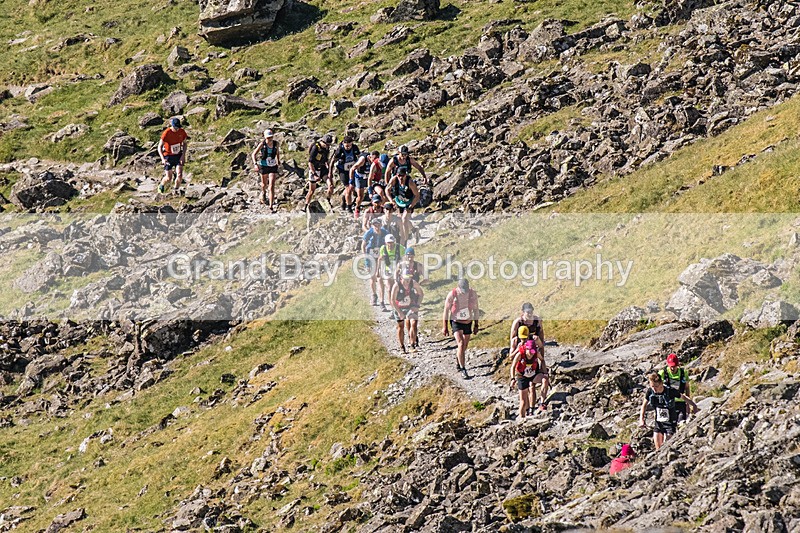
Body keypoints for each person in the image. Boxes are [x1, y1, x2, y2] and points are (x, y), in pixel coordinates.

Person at [639, 373, 698, 449]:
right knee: (658, 448)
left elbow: (684, 397)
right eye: (652, 386)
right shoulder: (650, 392)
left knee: (666, 447)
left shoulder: (670, 391)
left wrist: (694, 405)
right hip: (659, 422)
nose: (654, 389)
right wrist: (641, 419)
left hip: (670, 423)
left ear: (661, 383)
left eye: (656, 386)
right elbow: (644, 406)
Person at [442, 279, 479, 379]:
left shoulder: (472, 294)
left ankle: (459, 359)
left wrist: (476, 324)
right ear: (458, 287)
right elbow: (446, 311)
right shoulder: (452, 294)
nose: (464, 292)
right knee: (461, 343)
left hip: (468, 322)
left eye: (466, 289)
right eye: (463, 290)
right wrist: (445, 326)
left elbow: (476, 309)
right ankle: (463, 369)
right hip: (456, 322)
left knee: (464, 345)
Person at [509, 326, 547, 419]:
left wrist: (545, 372)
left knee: (544, 380)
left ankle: (541, 403)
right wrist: (513, 379)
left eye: (533, 351)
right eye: (529, 351)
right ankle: (522, 419)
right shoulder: (520, 353)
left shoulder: (535, 351)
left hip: (533, 374)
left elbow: (542, 358)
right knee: (523, 401)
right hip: (522, 376)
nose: (531, 353)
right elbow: (513, 366)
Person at [390, 272, 424, 353]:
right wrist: (399, 312)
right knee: (400, 326)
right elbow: (392, 300)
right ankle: (402, 346)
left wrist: (417, 305)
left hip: (410, 307)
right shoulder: (397, 285)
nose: (407, 281)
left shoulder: (413, 283)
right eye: (405, 279)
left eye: (408, 279)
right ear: (401, 278)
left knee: (413, 323)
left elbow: (421, 294)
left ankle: (412, 344)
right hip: (399, 308)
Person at [386, 167, 419, 245]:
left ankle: (405, 240)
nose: (400, 177)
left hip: (409, 202)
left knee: (404, 219)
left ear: (405, 175)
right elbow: (387, 190)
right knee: (402, 220)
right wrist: (391, 200)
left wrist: (411, 205)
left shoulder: (410, 182)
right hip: (399, 202)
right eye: (399, 175)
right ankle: (414, 230)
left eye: (402, 176)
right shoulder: (394, 180)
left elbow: (417, 195)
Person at [251, 129, 280, 210]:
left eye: (271, 137)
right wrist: (255, 164)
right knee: (264, 184)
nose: (270, 139)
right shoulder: (262, 144)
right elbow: (253, 154)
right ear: (265, 138)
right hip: (264, 165)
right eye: (268, 138)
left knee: (271, 186)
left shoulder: (276, 143)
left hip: (273, 166)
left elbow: (277, 152)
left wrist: (278, 160)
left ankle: (271, 205)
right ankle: (263, 192)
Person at [157, 118, 188, 195]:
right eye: (175, 128)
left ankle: (176, 190)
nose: (177, 129)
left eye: (178, 127)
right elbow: (159, 146)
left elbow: (185, 144)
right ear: (172, 126)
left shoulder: (182, 132)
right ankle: (161, 185)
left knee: (180, 174)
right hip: (168, 156)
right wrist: (162, 159)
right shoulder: (166, 133)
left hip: (178, 155)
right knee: (169, 178)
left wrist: (183, 155)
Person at [658, 353, 692, 424]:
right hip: (667, 403)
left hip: (681, 402)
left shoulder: (683, 373)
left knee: (681, 423)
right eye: (671, 366)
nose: (673, 368)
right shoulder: (662, 373)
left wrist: (688, 404)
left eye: (674, 366)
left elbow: (687, 388)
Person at [362, 218, 388, 307]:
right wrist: (365, 257)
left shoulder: (385, 232)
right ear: (372, 226)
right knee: (372, 277)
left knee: (380, 278)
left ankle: (382, 300)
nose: (376, 227)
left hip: (381, 256)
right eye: (374, 225)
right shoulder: (369, 232)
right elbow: (363, 245)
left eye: (378, 225)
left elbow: (390, 242)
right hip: (371, 256)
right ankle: (374, 295)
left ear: (381, 225)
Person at [331, 135, 360, 212]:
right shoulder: (340, 150)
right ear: (343, 143)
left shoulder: (355, 147)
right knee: (348, 189)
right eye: (346, 146)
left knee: (352, 188)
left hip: (352, 170)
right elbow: (332, 161)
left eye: (349, 146)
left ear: (352, 143)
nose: (347, 147)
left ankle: (344, 199)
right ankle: (349, 208)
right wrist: (330, 173)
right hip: (343, 171)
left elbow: (359, 157)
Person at [378, 234, 405, 312]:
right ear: (386, 243)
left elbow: (404, 260)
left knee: (398, 287)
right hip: (388, 269)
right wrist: (378, 271)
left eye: (392, 242)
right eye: (388, 243)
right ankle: (393, 307)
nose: (390, 244)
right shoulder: (383, 248)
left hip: (398, 269)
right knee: (389, 288)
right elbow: (380, 259)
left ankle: (401, 303)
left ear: (394, 242)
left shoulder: (400, 248)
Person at [306, 134, 333, 210]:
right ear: (322, 142)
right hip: (314, 169)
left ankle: (327, 201)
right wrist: (314, 174)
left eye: (329, 145)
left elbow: (326, 159)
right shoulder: (315, 148)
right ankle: (306, 205)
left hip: (323, 169)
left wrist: (329, 169)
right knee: (312, 190)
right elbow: (310, 163)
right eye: (326, 144)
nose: (328, 146)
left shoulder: (327, 148)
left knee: (330, 185)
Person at [349, 150, 372, 220]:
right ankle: (357, 207)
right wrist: (351, 181)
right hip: (360, 176)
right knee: (360, 195)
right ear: (370, 157)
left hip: (369, 176)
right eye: (371, 161)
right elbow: (352, 168)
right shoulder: (362, 160)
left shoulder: (376, 161)